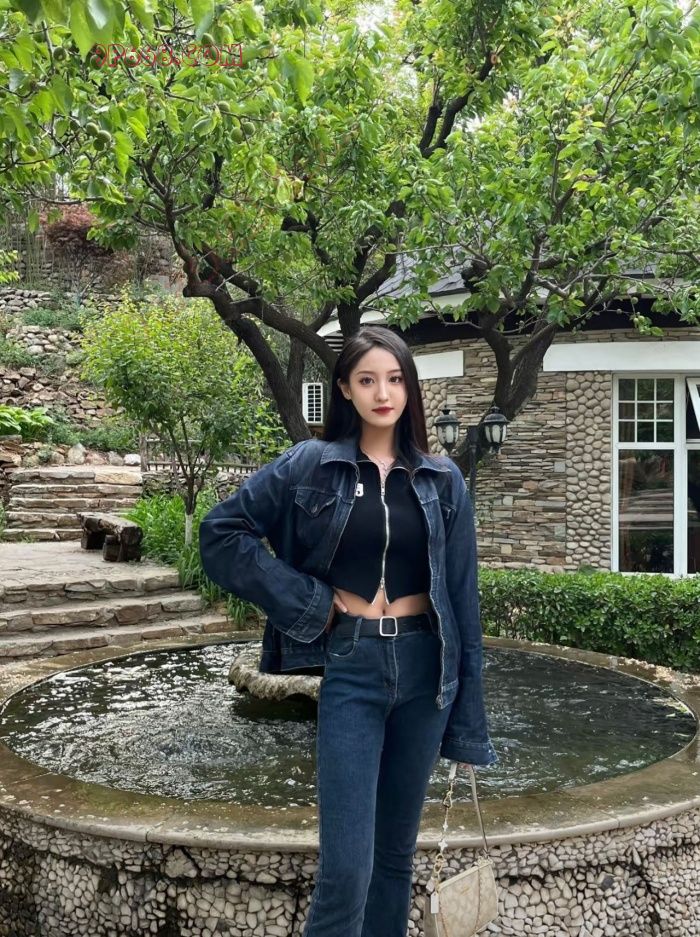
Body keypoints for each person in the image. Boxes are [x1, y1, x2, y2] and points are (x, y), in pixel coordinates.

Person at [198, 324, 498, 937]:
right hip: (353, 665)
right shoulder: (311, 465)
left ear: (410, 388)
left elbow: (463, 604)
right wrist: (310, 602)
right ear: (344, 389)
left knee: (395, 859)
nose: (383, 394)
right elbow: (220, 534)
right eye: (367, 380)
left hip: (426, 673)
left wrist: (468, 728)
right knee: (346, 869)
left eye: (395, 379)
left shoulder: (444, 480)